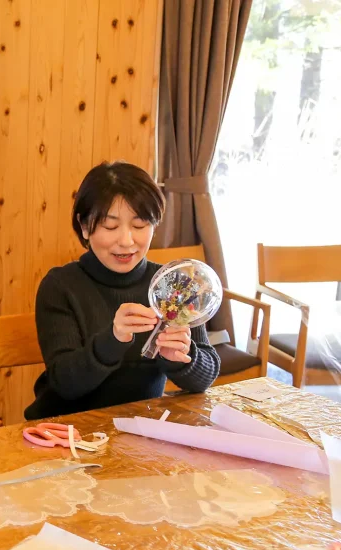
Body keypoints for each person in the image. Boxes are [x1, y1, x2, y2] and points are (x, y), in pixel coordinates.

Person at [24, 161, 220, 420]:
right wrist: (113, 339)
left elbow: (204, 377)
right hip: (65, 431)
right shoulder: (61, 286)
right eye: (110, 226)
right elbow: (65, 384)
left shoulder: (173, 284)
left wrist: (181, 357)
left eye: (139, 226)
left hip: (139, 429)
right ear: (84, 226)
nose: (127, 241)